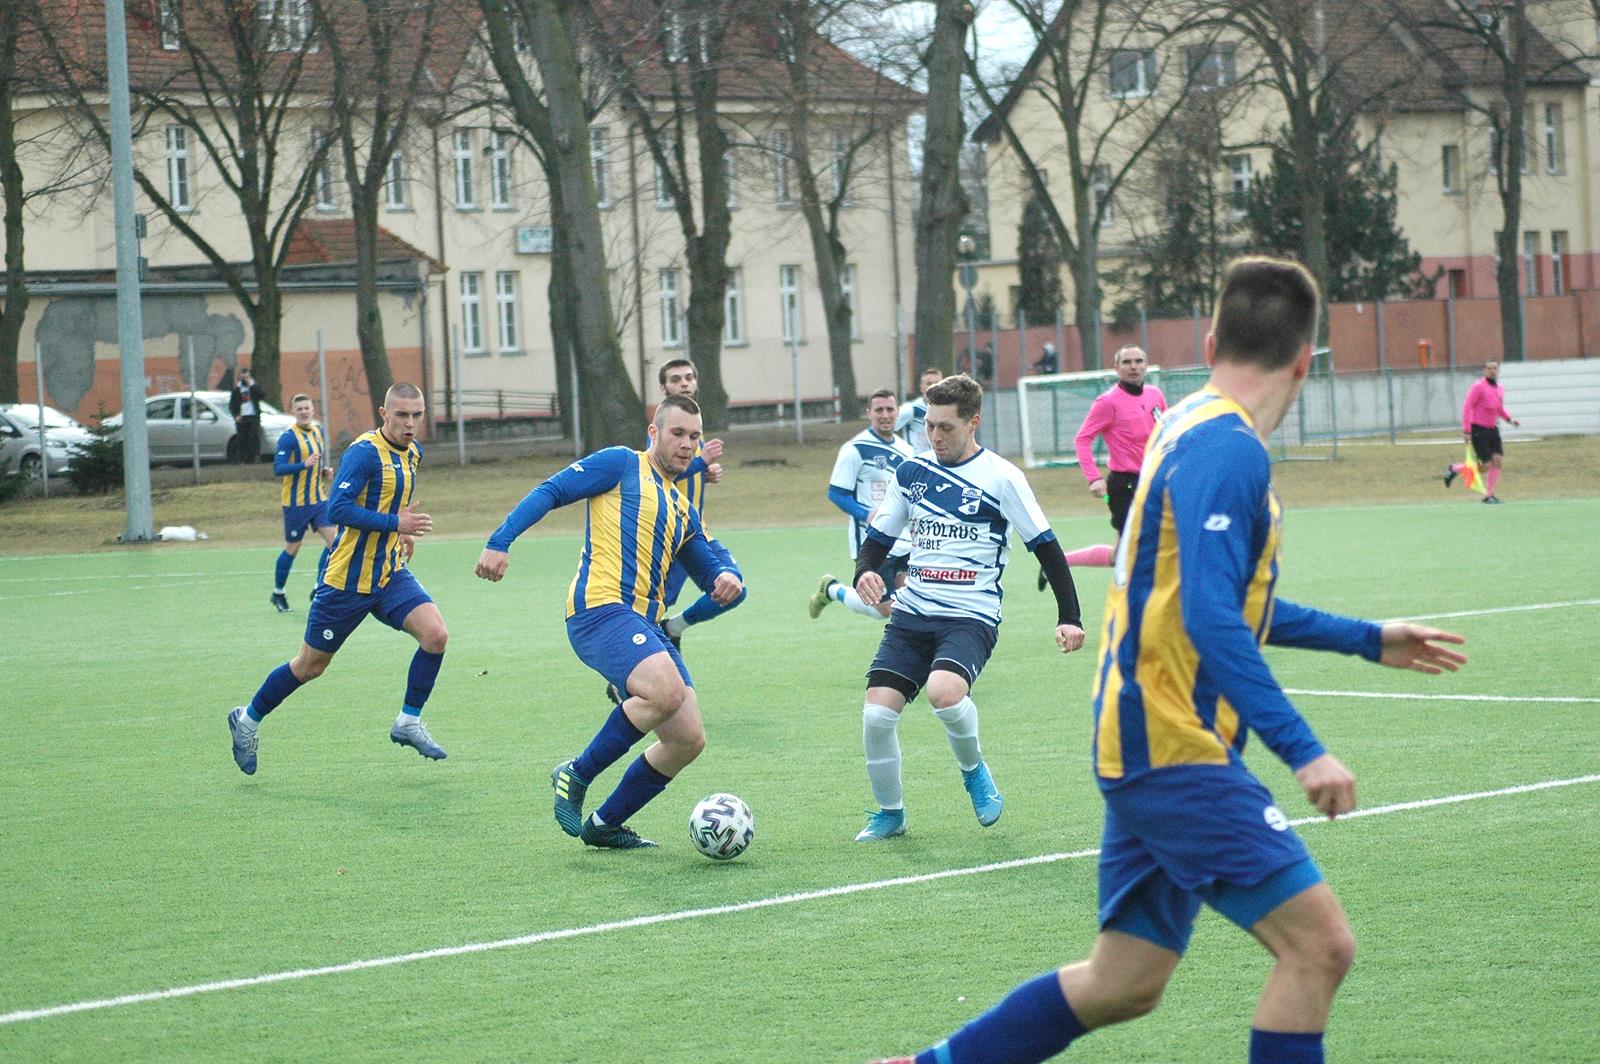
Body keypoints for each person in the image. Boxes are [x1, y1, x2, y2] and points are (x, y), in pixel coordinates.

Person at [869, 257, 1468, 1064]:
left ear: (1213, 338)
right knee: (1319, 948)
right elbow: (1209, 612)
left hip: (1142, 737)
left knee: (1124, 982)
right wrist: (1304, 749)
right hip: (1174, 747)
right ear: (1303, 360)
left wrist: (1364, 638)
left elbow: (1200, 596)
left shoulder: (1183, 423)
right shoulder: (1229, 450)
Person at [475, 394, 744, 850]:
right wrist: (501, 540)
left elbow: (706, 566)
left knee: (687, 739)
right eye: (678, 433)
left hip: (644, 623)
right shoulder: (621, 464)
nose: (687, 445)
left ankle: (604, 824)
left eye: (695, 437)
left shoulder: (681, 508)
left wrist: (726, 577)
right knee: (663, 690)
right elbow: (551, 490)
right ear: (654, 432)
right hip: (599, 610)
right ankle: (575, 773)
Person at [849, 373, 1087, 842]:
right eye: (929, 427)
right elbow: (877, 541)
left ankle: (974, 771)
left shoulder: (1002, 477)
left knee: (943, 691)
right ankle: (890, 813)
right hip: (913, 612)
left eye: (946, 428)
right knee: (876, 717)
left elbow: (1047, 548)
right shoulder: (912, 472)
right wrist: (864, 572)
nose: (934, 436)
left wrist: (1069, 616)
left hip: (970, 615)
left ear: (973, 423)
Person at [228, 381, 450, 775]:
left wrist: (399, 532)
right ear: (384, 414)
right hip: (346, 581)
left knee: (435, 636)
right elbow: (339, 509)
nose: (410, 423)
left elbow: (389, 502)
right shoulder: (363, 454)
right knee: (309, 666)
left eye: (417, 415)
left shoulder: (414, 452)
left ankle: (408, 721)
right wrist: (394, 523)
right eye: (401, 415)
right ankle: (246, 719)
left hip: (388, 574)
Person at [1038, 345, 1166, 588]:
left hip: (1153, 482)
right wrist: (1093, 477)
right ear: (1116, 368)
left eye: (1138, 361)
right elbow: (1082, 439)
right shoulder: (1108, 402)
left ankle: (1057, 563)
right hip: (1124, 485)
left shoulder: (1155, 395)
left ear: (1146, 366)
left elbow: (1166, 433)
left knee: (1123, 553)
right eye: (1127, 362)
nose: (1133, 366)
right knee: (1137, 547)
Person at [653, 358, 744, 650]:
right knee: (649, 609)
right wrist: (701, 462)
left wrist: (706, 473)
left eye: (689, 377)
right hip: (667, 536)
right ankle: (627, 677)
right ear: (664, 387)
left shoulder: (697, 429)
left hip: (696, 533)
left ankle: (674, 627)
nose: (684, 383)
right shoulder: (660, 427)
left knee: (734, 587)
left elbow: (685, 472)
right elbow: (658, 471)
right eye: (676, 379)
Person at [808, 389, 915, 622]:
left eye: (890, 409)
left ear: (897, 412)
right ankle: (832, 589)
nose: (885, 415)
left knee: (910, 599)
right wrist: (866, 514)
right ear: (869, 413)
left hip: (905, 539)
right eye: (879, 410)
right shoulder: (855, 449)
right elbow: (836, 493)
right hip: (873, 541)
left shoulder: (908, 451)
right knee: (884, 610)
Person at [270, 394, 335, 612]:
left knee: (334, 542)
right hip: (295, 504)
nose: (304, 412)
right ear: (293, 412)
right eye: (299, 409)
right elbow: (278, 468)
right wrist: (303, 465)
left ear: (313, 409)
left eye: (307, 408)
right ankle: (278, 592)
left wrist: (324, 472)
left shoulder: (319, 431)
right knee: (293, 547)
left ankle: (318, 588)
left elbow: (320, 461)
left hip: (319, 499)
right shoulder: (288, 438)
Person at [1445, 359, 1519, 504]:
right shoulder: (1478, 387)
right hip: (1479, 430)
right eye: (1489, 368)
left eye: (1495, 368)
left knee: (1497, 461)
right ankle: (1455, 469)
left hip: (1493, 430)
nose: (1492, 371)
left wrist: (1509, 419)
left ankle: (1488, 495)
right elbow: (1467, 407)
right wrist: (1467, 430)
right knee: (1485, 466)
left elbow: (1499, 409)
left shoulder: (1499, 388)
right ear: (1485, 370)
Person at [896, 366, 943, 453]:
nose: (933, 386)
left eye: (937, 383)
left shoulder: (947, 410)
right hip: (916, 461)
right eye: (929, 383)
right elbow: (889, 428)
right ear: (922, 387)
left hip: (938, 462)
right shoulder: (911, 409)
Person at [228, 367, 266, 464]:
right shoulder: (237, 390)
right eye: (243, 378)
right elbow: (232, 405)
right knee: (242, 439)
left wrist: (252, 386)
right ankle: (243, 459)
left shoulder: (254, 387)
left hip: (253, 417)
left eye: (247, 377)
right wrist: (236, 415)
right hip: (242, 418)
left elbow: (262, 395)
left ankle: (255, 457)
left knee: (254, 436)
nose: (245, 380)